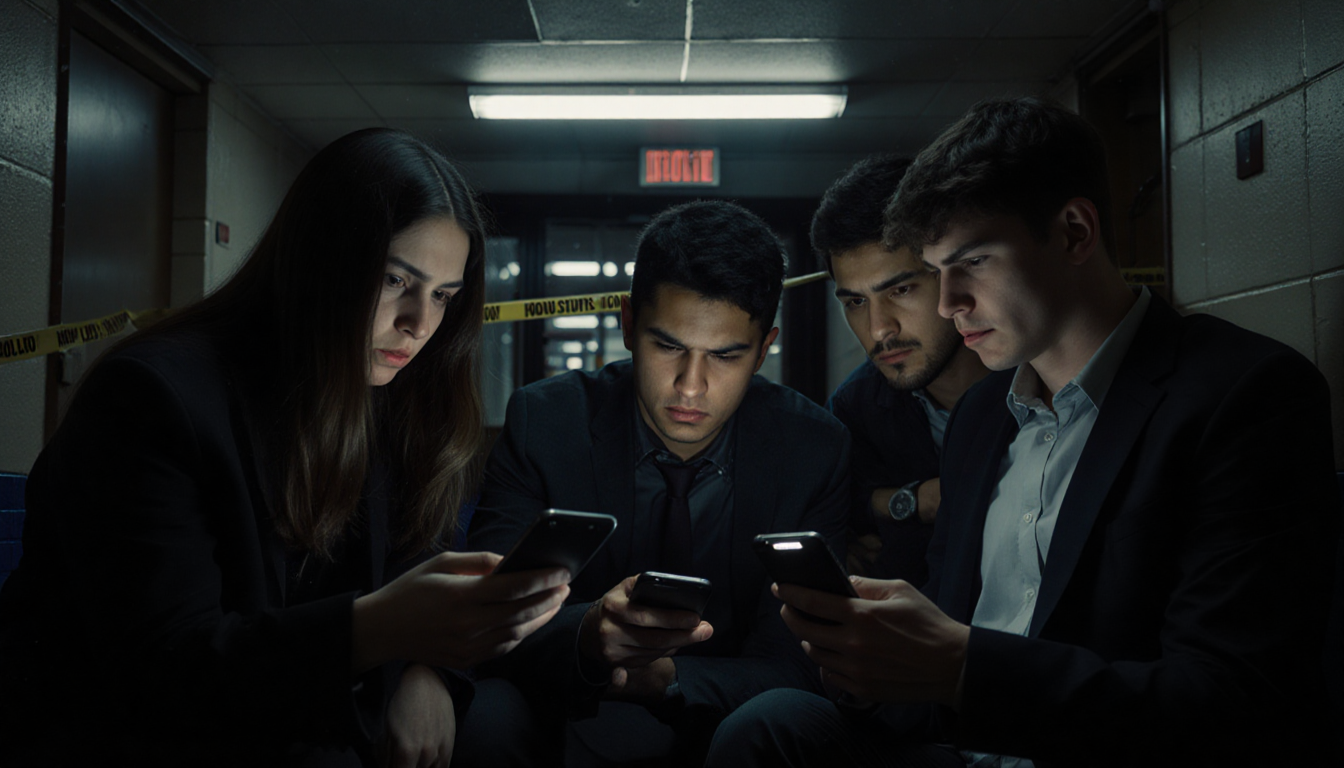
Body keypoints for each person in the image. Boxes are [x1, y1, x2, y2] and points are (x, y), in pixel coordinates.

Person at [705, 97, 1339, 767]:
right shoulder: (983, 416)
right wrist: (874, 666)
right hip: (967, 749)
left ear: (1072, 232)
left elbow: (1231, 702)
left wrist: (961, 667)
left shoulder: (1244, 393)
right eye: (938, 272)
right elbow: (938, 672)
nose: (949, 304)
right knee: (775, 726)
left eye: (972, 264)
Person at [0, 128, 572, 767]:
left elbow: (420, 553)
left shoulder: (388, 397)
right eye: (393, 279)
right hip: (129, 732)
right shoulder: (150, 398)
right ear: (320, 260)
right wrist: (380, 629)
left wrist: (426, 669)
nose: (419, 323)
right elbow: (168, 672)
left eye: (443, 296)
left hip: (303, 708)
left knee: (497, 722)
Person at [461, 200, 851, 766]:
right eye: (667, 345)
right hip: (572, 712)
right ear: (627, 324)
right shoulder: (546, 423)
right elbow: (487, 618)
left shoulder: (813, 448)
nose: (691, 386)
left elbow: (799, 662)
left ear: (764, 348)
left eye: (725, 356)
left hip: (730, 724)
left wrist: (669, 678)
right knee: (487, 709)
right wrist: (589, 636)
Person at [812, 155, 988, 583]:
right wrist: (907, 503)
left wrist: (892, 506)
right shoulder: (856, 408)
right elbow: (838, 506)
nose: (878, 329)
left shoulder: (1041, 385)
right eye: (855, 302)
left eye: (901, 289)